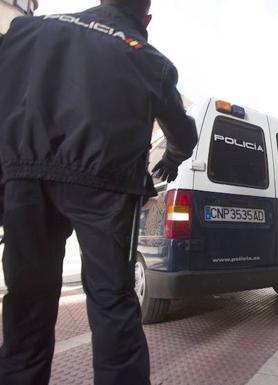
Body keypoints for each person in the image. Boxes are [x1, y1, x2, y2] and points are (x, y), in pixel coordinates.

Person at [0, 1, 198, 384]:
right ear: (147, 19)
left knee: (27, 299)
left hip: (25, 176)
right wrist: (172, 157)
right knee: (111, 301)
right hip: (105, 185)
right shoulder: (148, 58)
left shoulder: (28, 30)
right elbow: (184, 135)